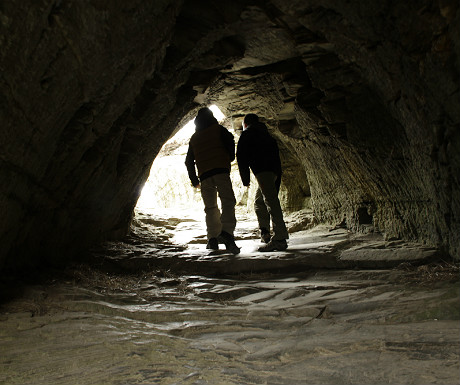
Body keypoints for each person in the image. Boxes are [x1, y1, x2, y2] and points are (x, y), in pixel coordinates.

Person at [185, 107, 240, 254]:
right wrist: (230, 157)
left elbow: (188, 161)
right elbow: (230, 142)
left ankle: (212, 239)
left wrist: (194, 179)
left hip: (204, 176)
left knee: (210, 207)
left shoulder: (194, 138)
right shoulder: (218, 129)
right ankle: (227, 233)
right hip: (221, 170)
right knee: (228, 201)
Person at [236, 113, 289, 251]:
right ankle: (265, 232)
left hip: (263, 171)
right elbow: (277, 157)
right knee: (260, 202)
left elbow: (241, 157)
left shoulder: (247, 134)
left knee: (271, 202)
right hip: (274, 172)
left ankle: (280, 238)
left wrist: (245, 179)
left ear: (245, 124)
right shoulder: (268, 135)